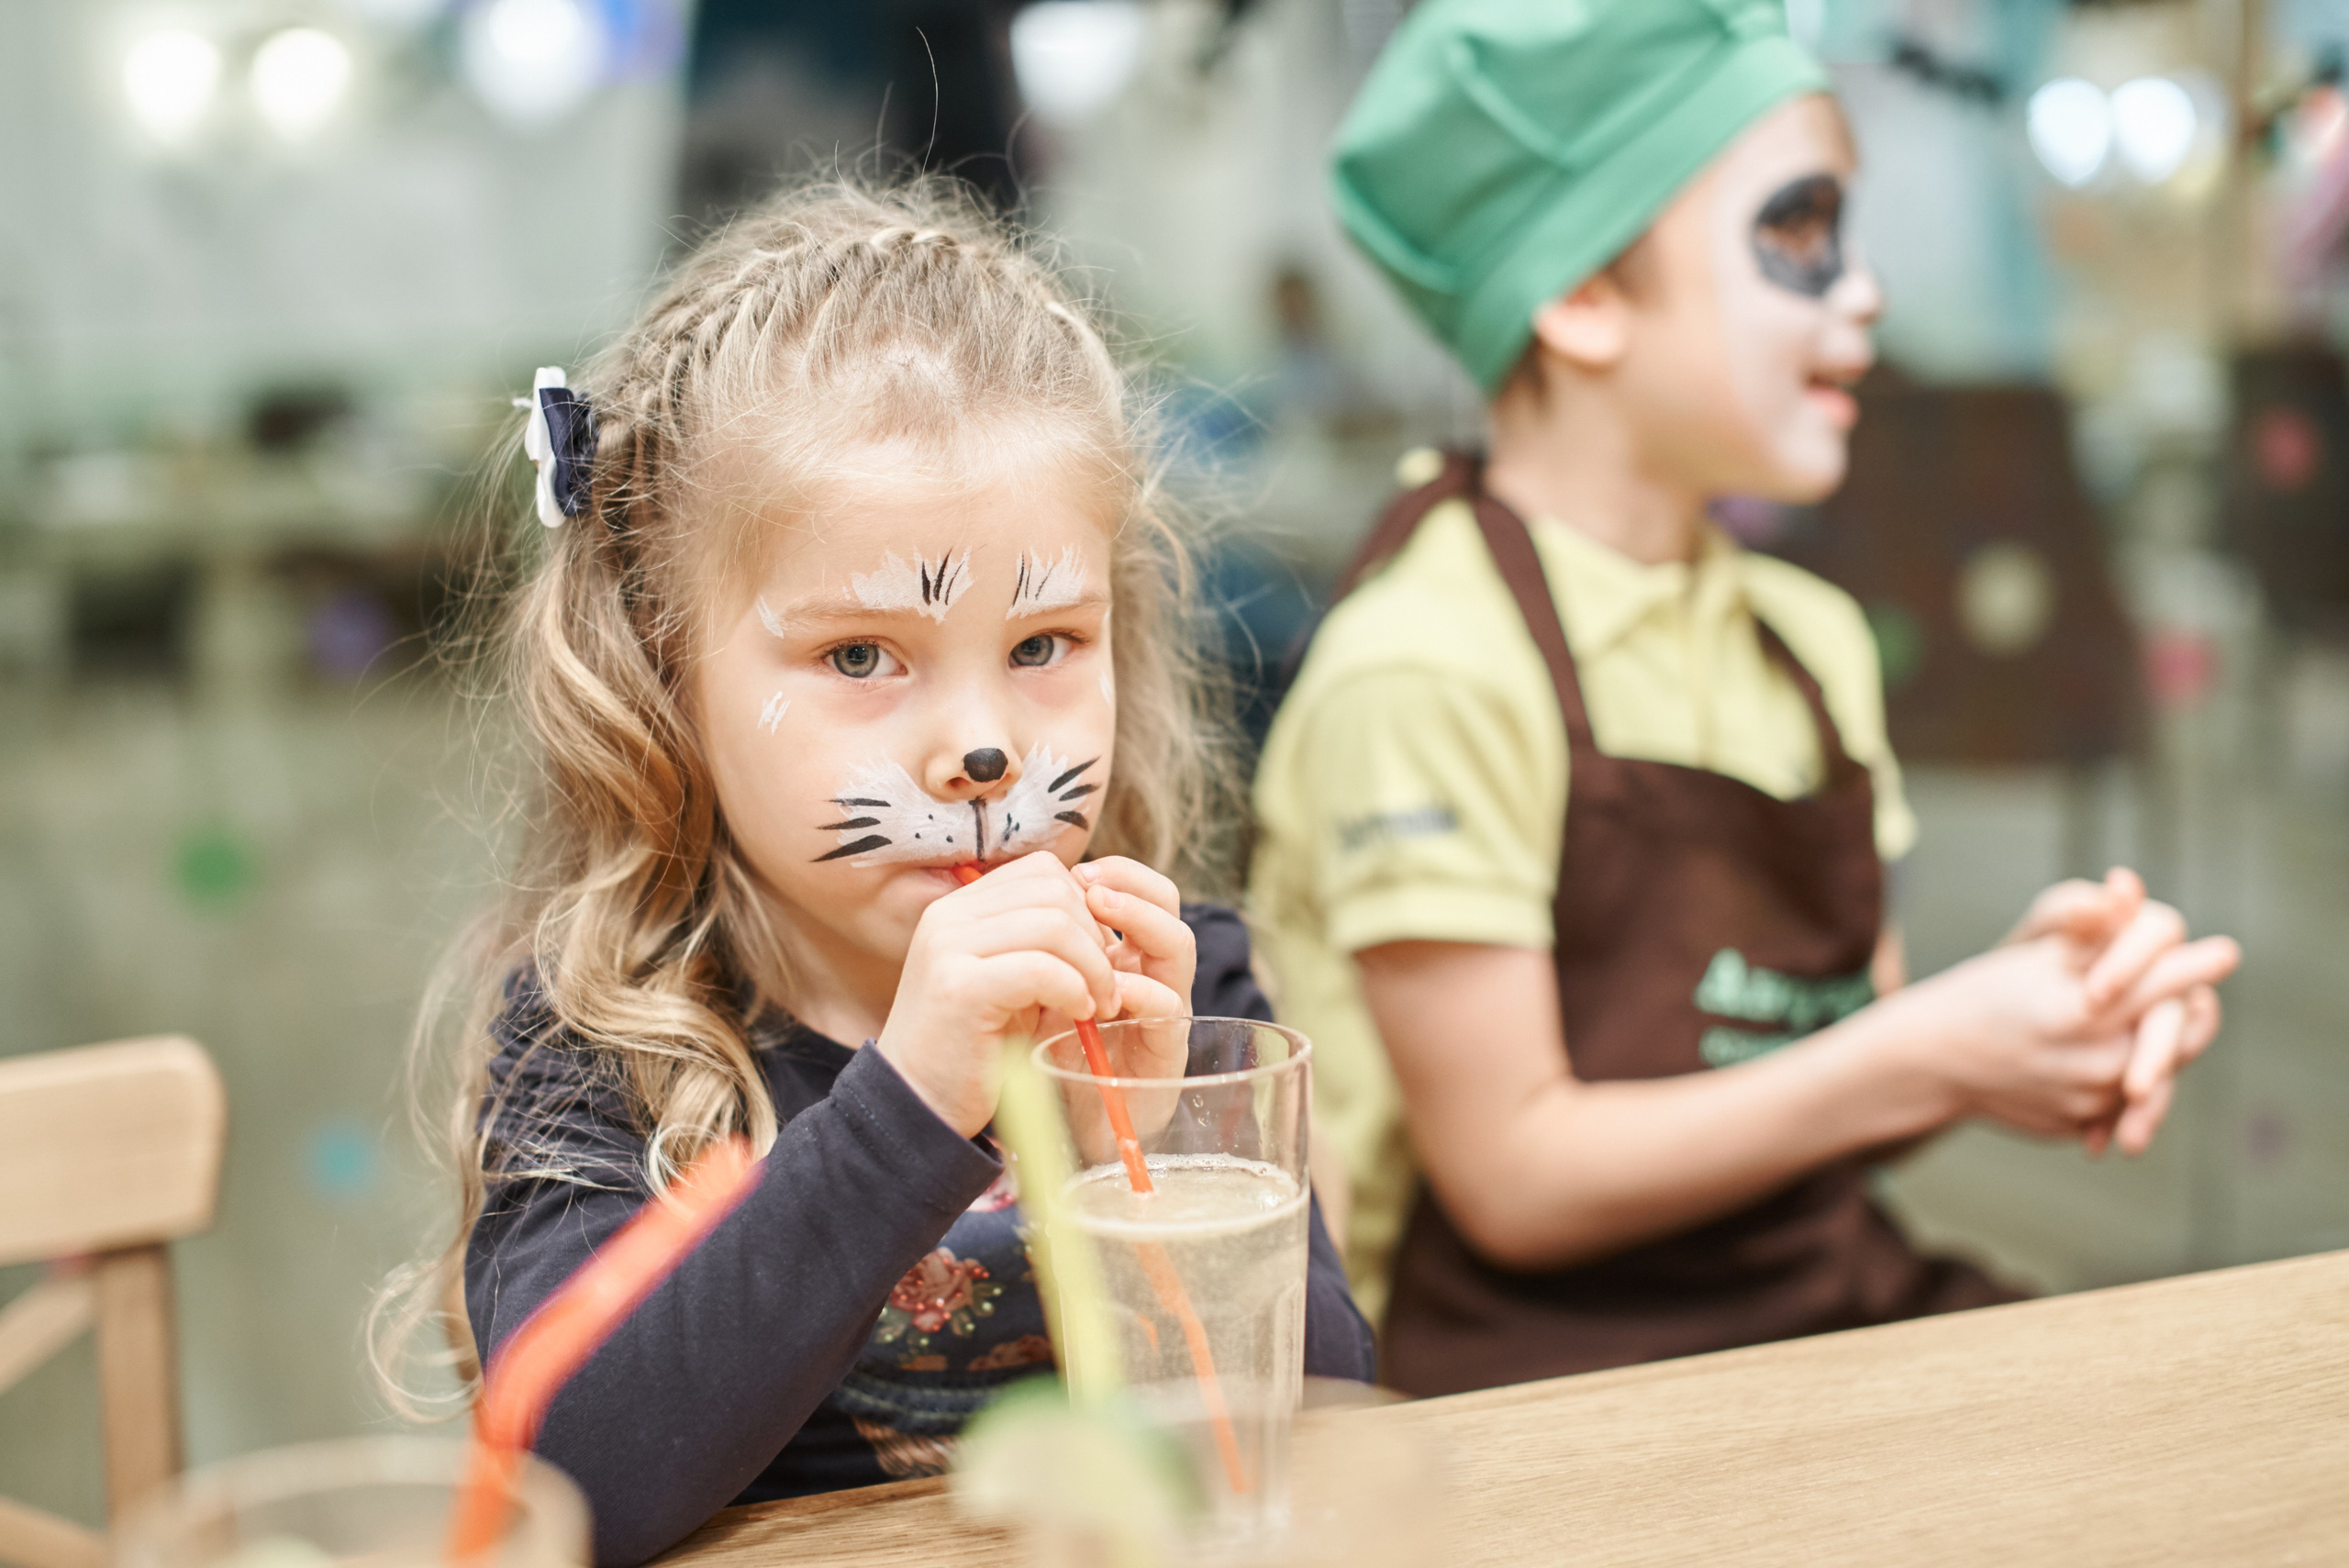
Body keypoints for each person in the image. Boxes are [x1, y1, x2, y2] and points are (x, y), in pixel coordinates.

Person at [1246, 0, 2239, 1396]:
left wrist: (2024, 1018)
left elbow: (1823, 1096)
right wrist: (1923, 1052)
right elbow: (1515, 1179)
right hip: (1520, 1393)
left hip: (1804, 1312)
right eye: (1798, 227)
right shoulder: (1429, 664)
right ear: (1582, 295)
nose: (1864, 290)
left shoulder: (1808, 642)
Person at [374, 180, 1373, 1567]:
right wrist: (910, 1100)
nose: (981, 749)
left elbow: (1317, 1433)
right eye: (860, 656)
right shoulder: (600, 1040)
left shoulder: (1184, 989)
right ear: (664, 668)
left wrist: (1147, 1151)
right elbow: (574, 1490)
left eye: (1042, 645)